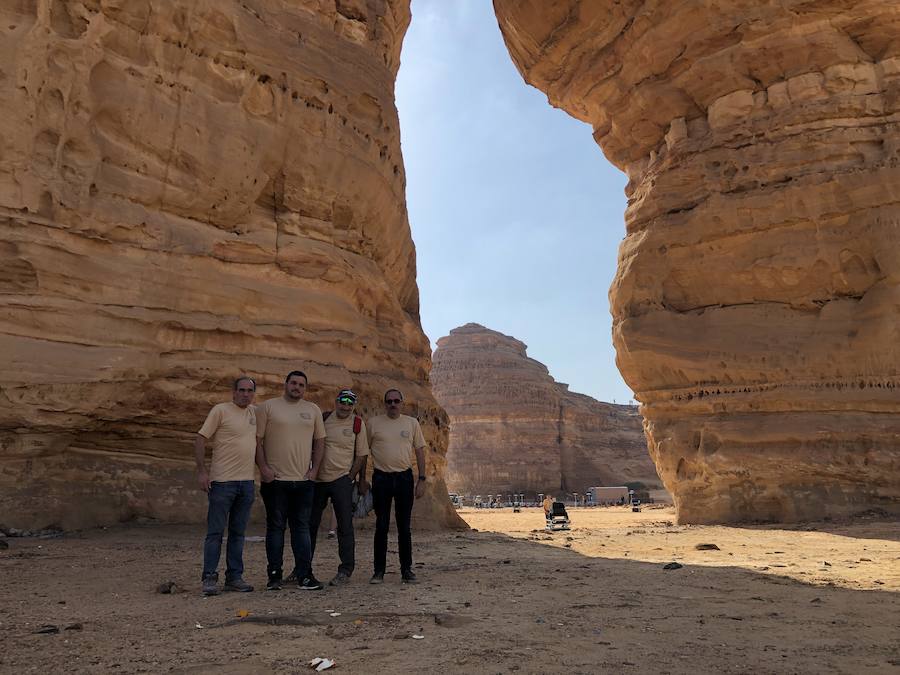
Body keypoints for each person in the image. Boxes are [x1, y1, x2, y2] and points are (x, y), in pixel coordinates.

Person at [255, 370, 326, 591]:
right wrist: (264, 468)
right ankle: (274, 576)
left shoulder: (312, 409)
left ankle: (305, 575)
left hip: (303, 482)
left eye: (301, 385)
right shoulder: (267, 407)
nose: (297, 387)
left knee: (301, 529)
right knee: (276, 528)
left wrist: (314, 471)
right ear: (285, 384)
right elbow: (257, 440)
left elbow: (320, 442)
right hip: (275, 481)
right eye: (293, 383)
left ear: (305, 388)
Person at [195, 376, 258, 596]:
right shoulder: (220, 410)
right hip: (222, 482)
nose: (245, 394)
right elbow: (201, 438)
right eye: (241, 390)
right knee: (215, 533)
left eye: (249, 391)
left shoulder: (254, 413)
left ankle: (234, 577)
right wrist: (203, 471)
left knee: (238, 533)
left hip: (246, 483)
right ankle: (209, 578)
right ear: (233, 392)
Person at [308, 389, 370, 586]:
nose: (345, 406)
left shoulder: (357, 423)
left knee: (345, 527)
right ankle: (302, 568)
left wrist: (353, 478)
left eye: (350, 403)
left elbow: (362, 455)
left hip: (342, 480)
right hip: (318, 481)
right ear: (336, 402)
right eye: (342, 401)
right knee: (309, 525)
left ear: (354, 406)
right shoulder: (324, 418)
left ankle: (345, 570)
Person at [366, 388, 426, 584]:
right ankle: (379, 571)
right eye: (389, 401)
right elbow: (363, 452)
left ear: (402, 403)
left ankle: (406, 570)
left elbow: (419, 450)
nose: (392, 404)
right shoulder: (373, 424)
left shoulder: (411, 423)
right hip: (381, 478)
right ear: (385, 404)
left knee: (404, 527)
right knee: (381, 526)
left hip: (404, 479)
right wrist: (360, 479)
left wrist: (422, 479)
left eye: (396, 401)